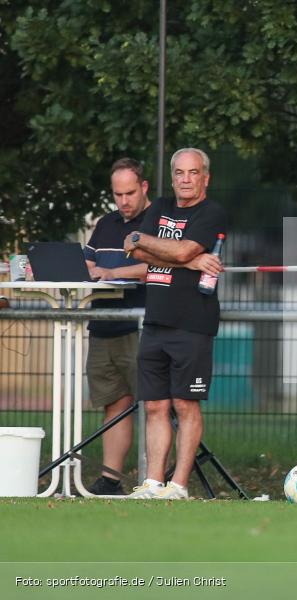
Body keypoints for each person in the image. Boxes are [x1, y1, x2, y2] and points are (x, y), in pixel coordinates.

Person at [125, 148, 227, 500]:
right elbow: (133, 248)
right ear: (172, 177)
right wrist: (187, 259)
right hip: (155, 322)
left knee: (185, 405)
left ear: (205, 178)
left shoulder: (212, 212)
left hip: (192, 323)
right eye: (180, 173)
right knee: (154, 405)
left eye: (193, 172)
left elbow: (179, 250)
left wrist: (155, 245)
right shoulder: (159, 207)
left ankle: (178, 486)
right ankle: (153, 483)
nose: (186, 179)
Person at [81, 158, 151, 495]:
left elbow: (159, 264)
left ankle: (157, 479)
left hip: (139, 323)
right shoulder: (106, 223)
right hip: (103, 322)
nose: (123, 200)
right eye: (117, 194)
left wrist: (113, 273)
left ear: (144, 187)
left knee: (155, 404)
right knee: (115, 403)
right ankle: (111, 480)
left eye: (129, 193)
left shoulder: (158, 221)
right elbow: (89, 263)